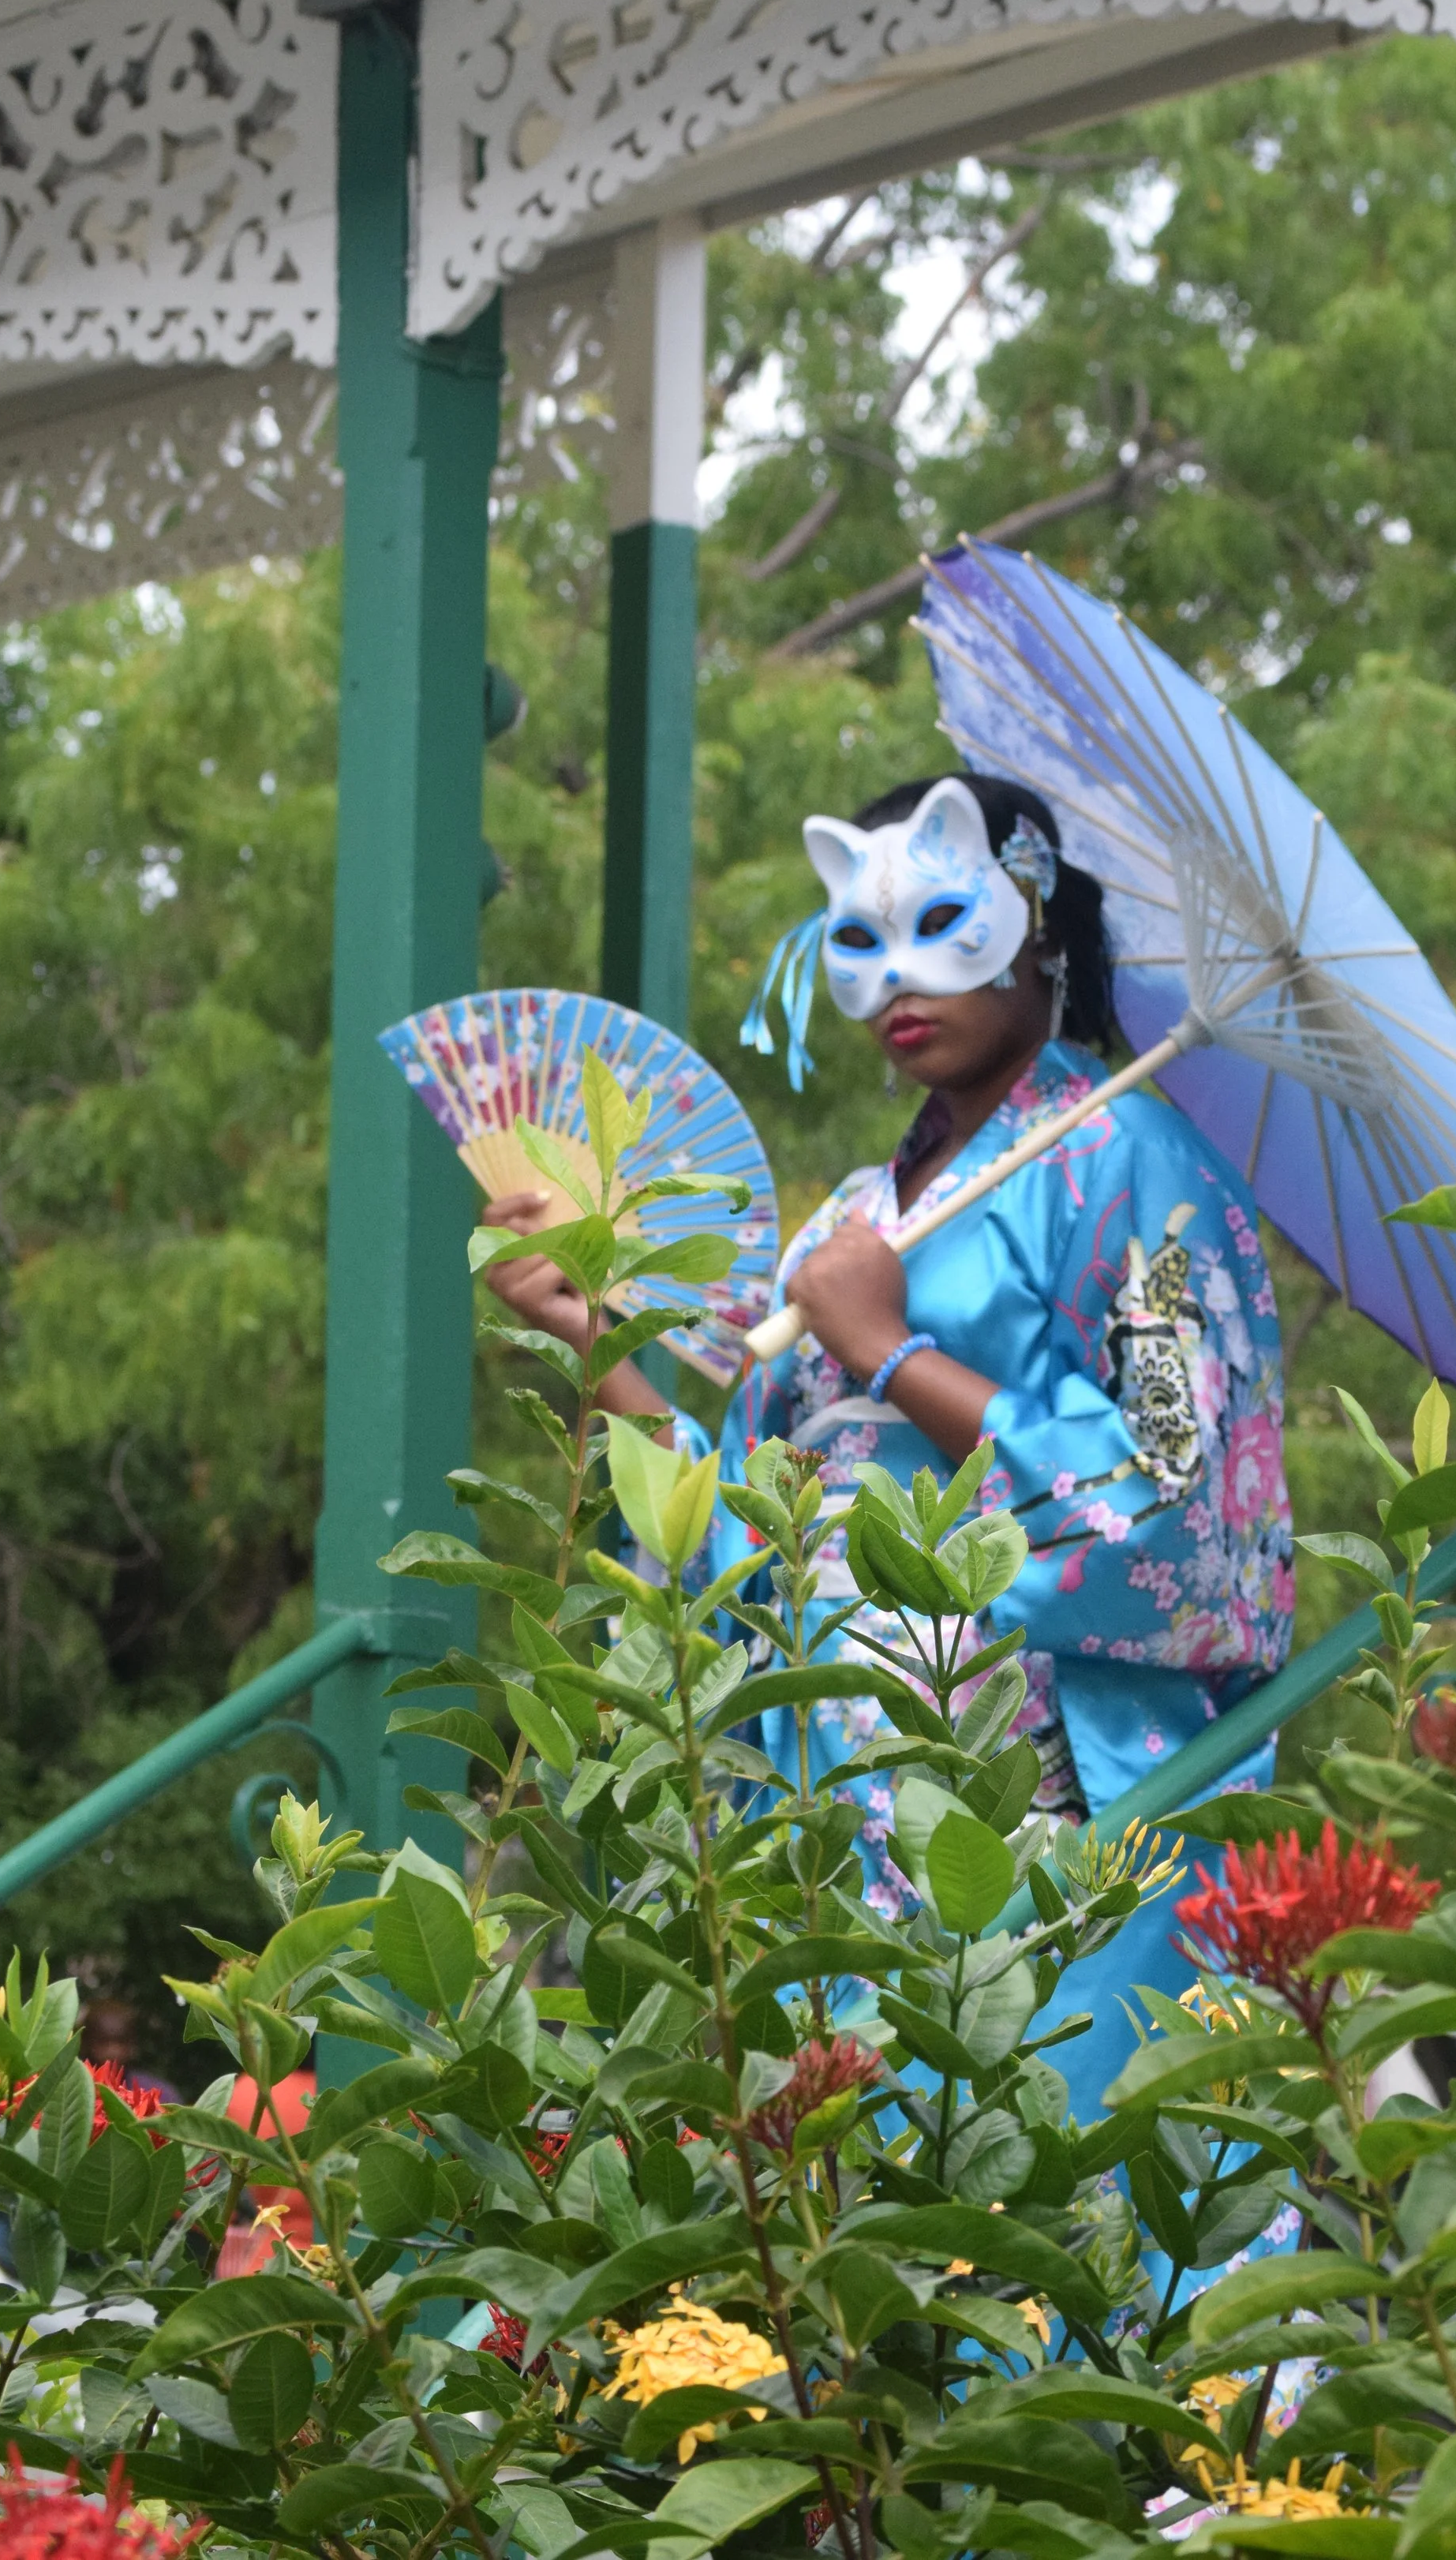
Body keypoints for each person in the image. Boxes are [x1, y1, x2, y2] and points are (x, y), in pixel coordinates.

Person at [481, 774, 1294, 2108]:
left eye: (943, 922)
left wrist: (891, 1353)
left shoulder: (1135, 1162)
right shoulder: (856, 1215)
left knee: (1033, 2213)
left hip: (1029, 1792)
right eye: (859, 940)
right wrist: (599, 1348)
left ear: (1037, 924)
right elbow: (754, 1530)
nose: (900, 978)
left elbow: (1177, 1504)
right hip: (822, 1801)